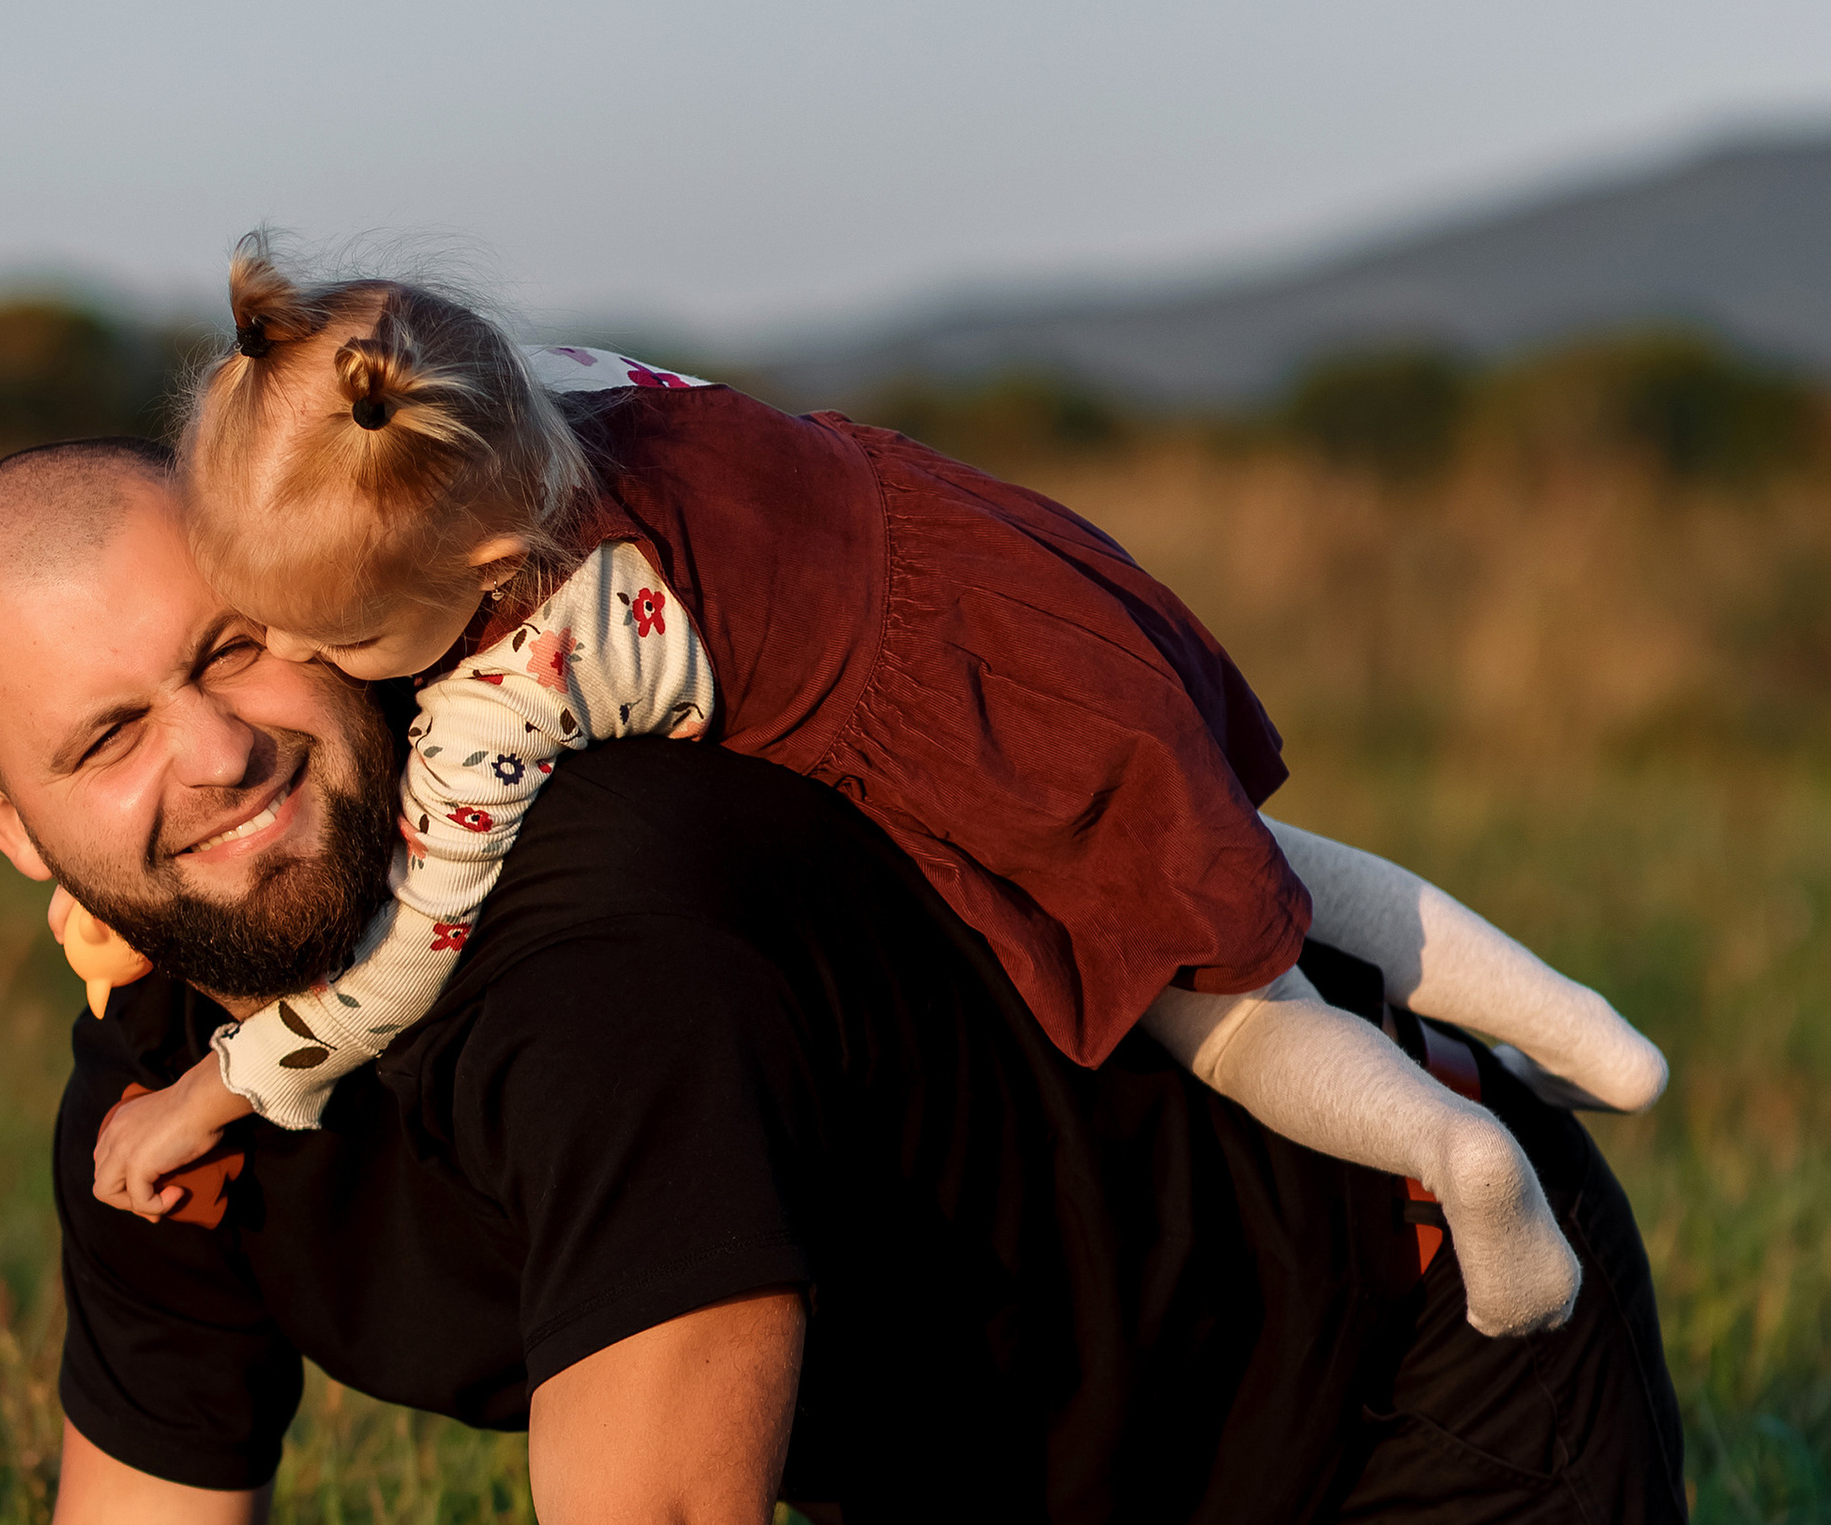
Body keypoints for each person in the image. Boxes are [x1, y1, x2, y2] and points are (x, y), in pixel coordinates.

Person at [0, 437, 1716, 1525]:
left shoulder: (608, 952)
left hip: (1396, 1369)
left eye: (229, 647)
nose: (215, 751)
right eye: (106, 732)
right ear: (6, 818)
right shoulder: (160, 1105)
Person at [83, 250, 1667, 1347]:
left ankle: (1455, 1159)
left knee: (1203, 992)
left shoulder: (523, 678)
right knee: (1234, 855)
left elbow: (417, 944)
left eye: (339, 639)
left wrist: (222, 1085)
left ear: (490, 578)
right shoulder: (537, 395)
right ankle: (1593, 1033)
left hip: (955, 726)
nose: (298, 659)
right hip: (997, 570)